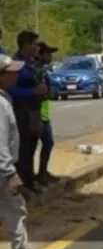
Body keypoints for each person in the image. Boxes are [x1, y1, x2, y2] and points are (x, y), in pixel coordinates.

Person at [0, 55, 50, 249]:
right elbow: (0, 141)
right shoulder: (0, 104)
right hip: (2, 169)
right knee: (14, 207)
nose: (16, 75)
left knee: (15, 208)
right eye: (12, 72)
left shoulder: (4, 99)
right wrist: (9, 172)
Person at [10, 31, 48, 194]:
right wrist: (32, 92)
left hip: (35, 109)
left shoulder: (33, 63)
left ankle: (29, 179)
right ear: (25, 44)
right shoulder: (14, 63)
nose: (37, 47)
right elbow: (11, 88)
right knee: (22, 147)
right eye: (34, 43)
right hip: (20, 109)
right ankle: (22, 183)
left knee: (32, 145)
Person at [34, 41, 58, 185]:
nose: (50, 56)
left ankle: (42, 173)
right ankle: (35, 176)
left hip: (43, 112)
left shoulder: (45, 70)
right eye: (48, 53)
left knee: (47, 143)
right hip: (37, 113)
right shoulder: (38, 70)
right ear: (40, 55)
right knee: (34, 146)